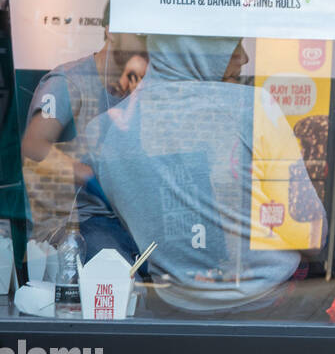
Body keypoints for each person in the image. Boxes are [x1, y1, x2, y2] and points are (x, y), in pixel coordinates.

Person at [80, 35, 321, 318]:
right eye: (233, 46)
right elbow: (310, 230)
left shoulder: (104, 130)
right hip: (269, 302)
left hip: (171, 303)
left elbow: (99, 232)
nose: (244, 58)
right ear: (200, 49)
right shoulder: (254, 107)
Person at [21, 1, 147, 258]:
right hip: (70, 226)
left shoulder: (134, 90)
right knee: (113, 258)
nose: (146, 46)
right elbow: (33, 145)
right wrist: (85, 174)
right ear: (111, 30)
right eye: (140, 35)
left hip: (118, 221)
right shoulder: (68, 83)